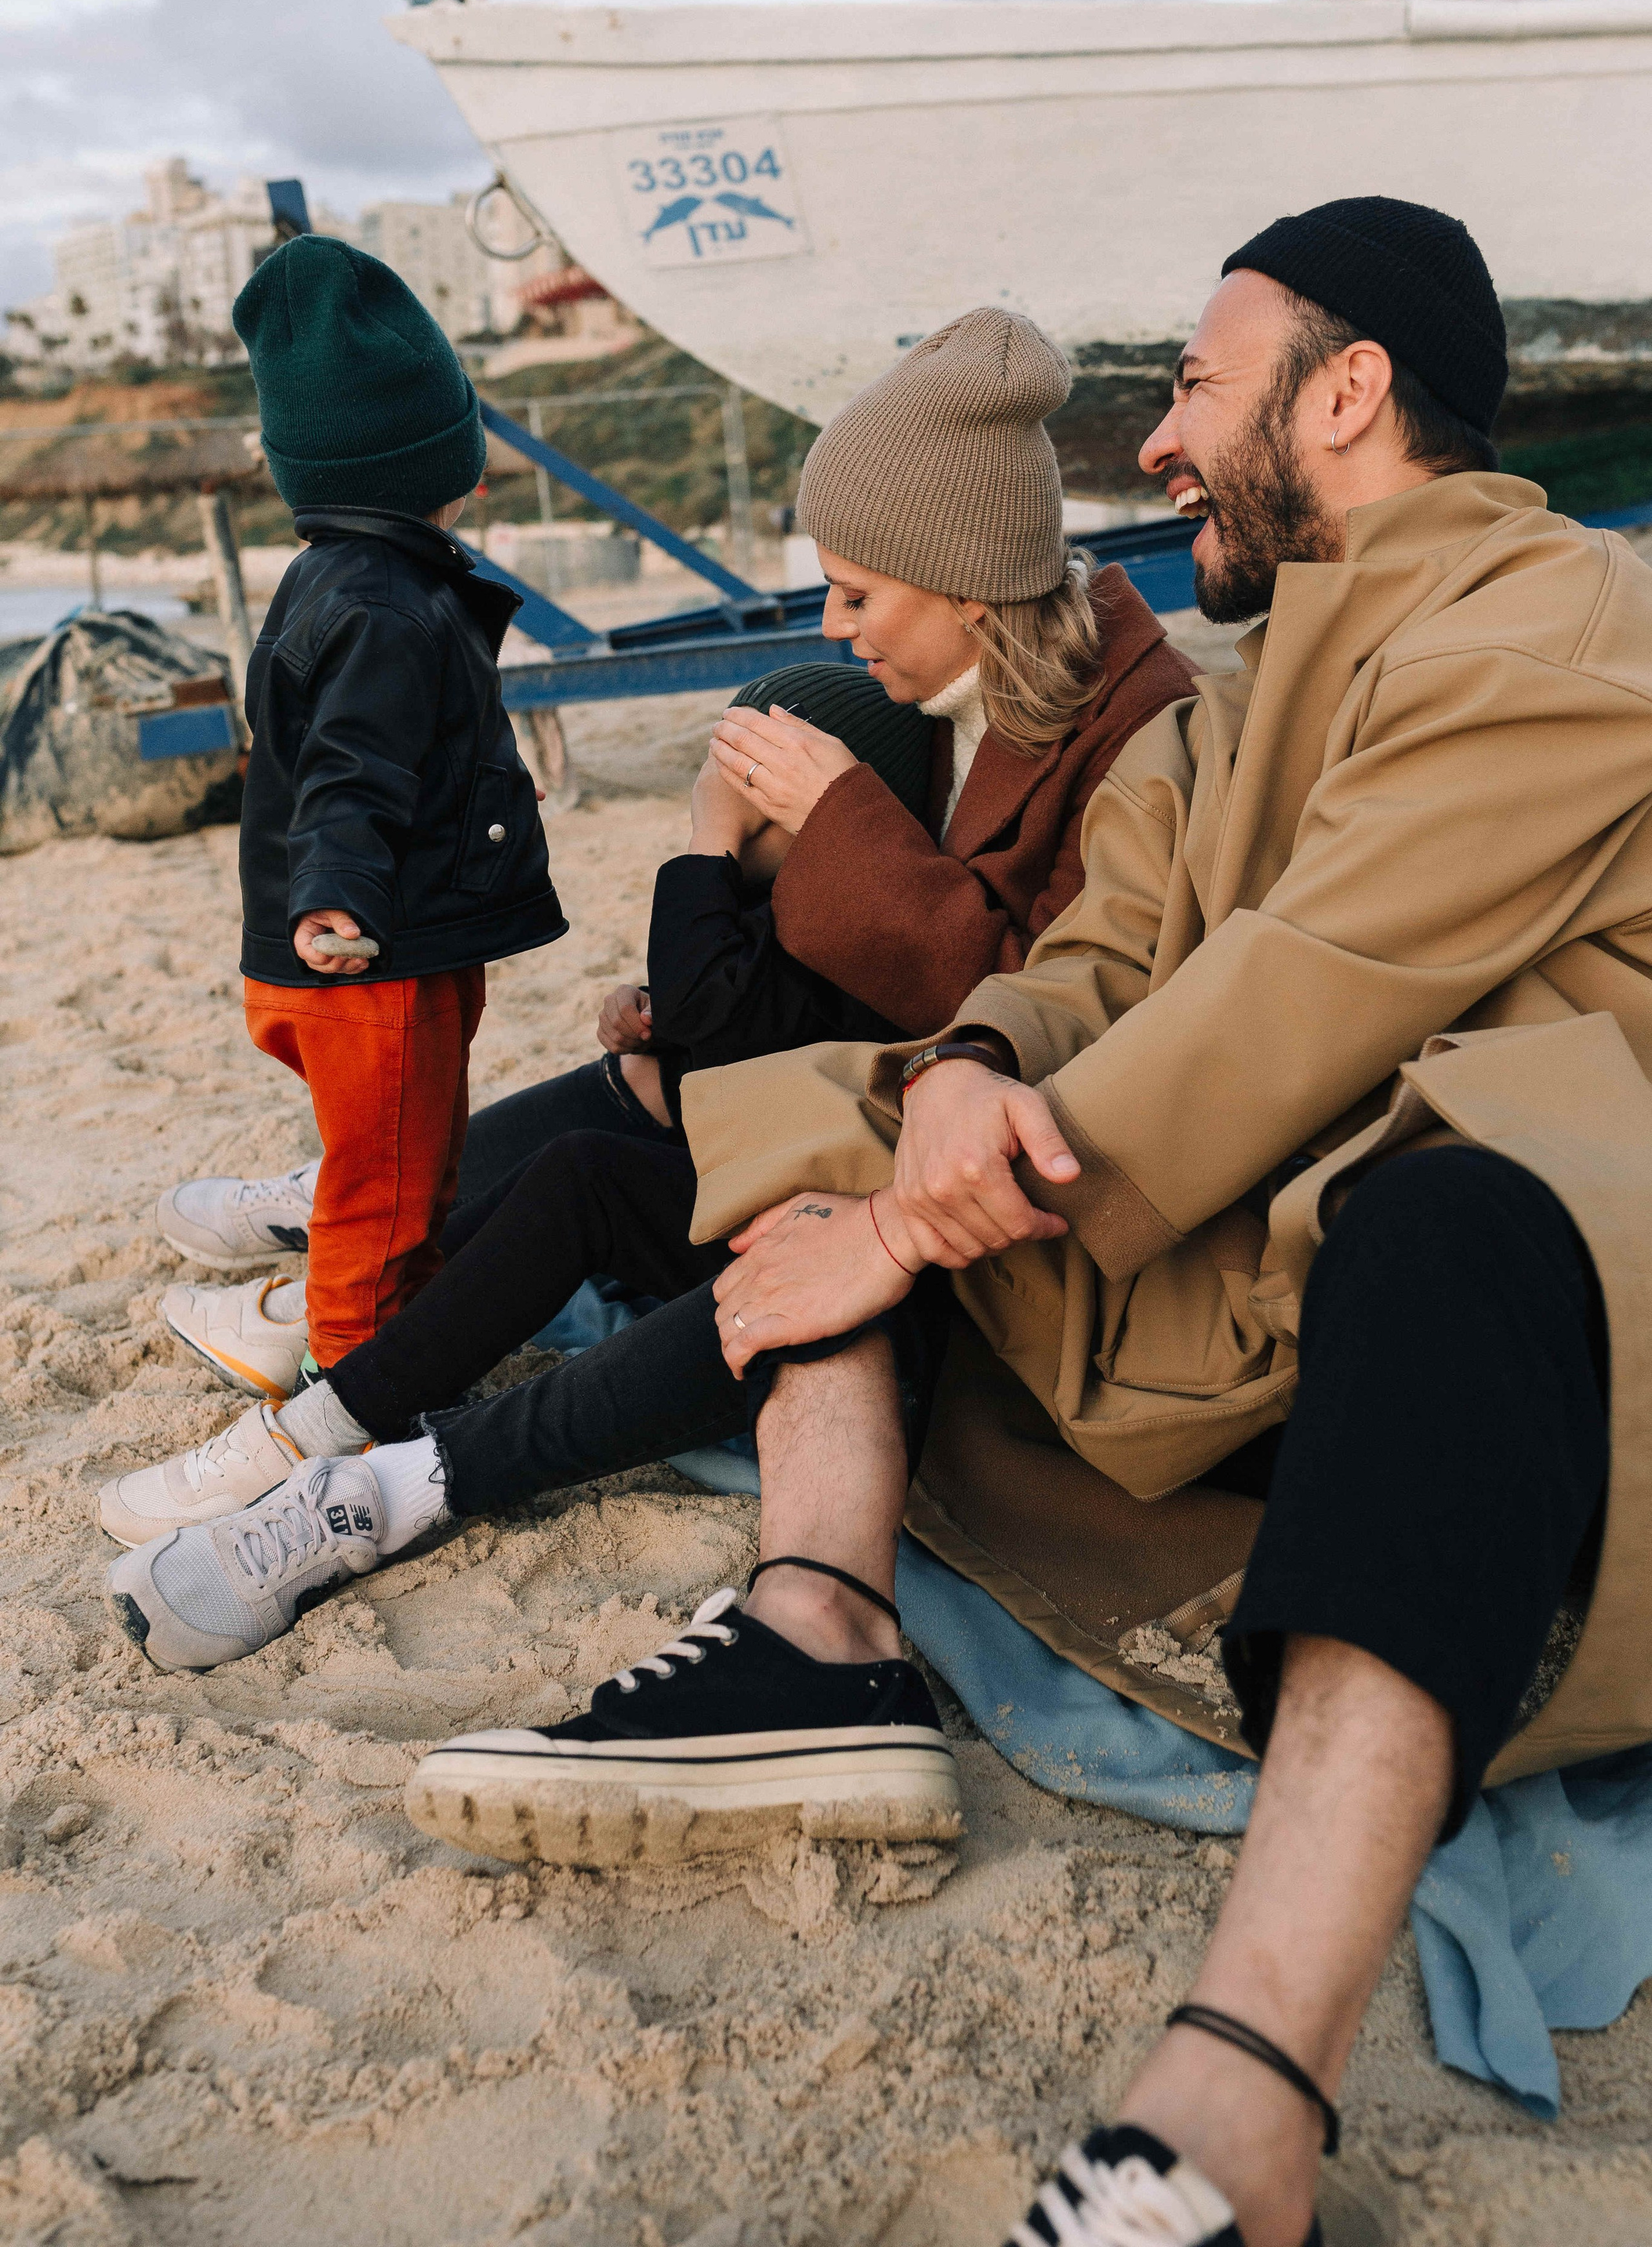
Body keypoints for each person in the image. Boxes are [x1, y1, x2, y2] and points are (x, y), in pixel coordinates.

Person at [108, 194, 1652, 2246]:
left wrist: (919, 1217)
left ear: (1349, 392)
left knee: (1430, 1217)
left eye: (1196, 383)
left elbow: (1308, 984)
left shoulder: (1555, 632)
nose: (1163, 442)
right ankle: (811, 1632)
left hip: (1489, 1287)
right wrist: (985, 1064)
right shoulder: (1236, 691)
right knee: (836, 1111)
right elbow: (1101, 948)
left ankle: (1239, 2098)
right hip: (1222, 1228)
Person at [109, 308, 1190, 1531]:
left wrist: (825, 821)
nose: (832, 624)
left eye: (856, 591)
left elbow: (1041, 997)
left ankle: (328, 1357)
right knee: (628, 1080)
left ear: (968, 584)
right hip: (864, 1100)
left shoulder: (1134, 736)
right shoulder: (967, 701)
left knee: (621, 1121)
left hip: (975, 1180)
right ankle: (329, 1293)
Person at [137, 234, 564, 1464]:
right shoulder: (381, 605)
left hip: (395, 938)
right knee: (381, 1192)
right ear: (441, 459)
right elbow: (348, 771)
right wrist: (335, 899)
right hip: (364, 957)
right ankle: (356, 1395)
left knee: (412, 1169)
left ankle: (400, 1336)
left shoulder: (350, 577)